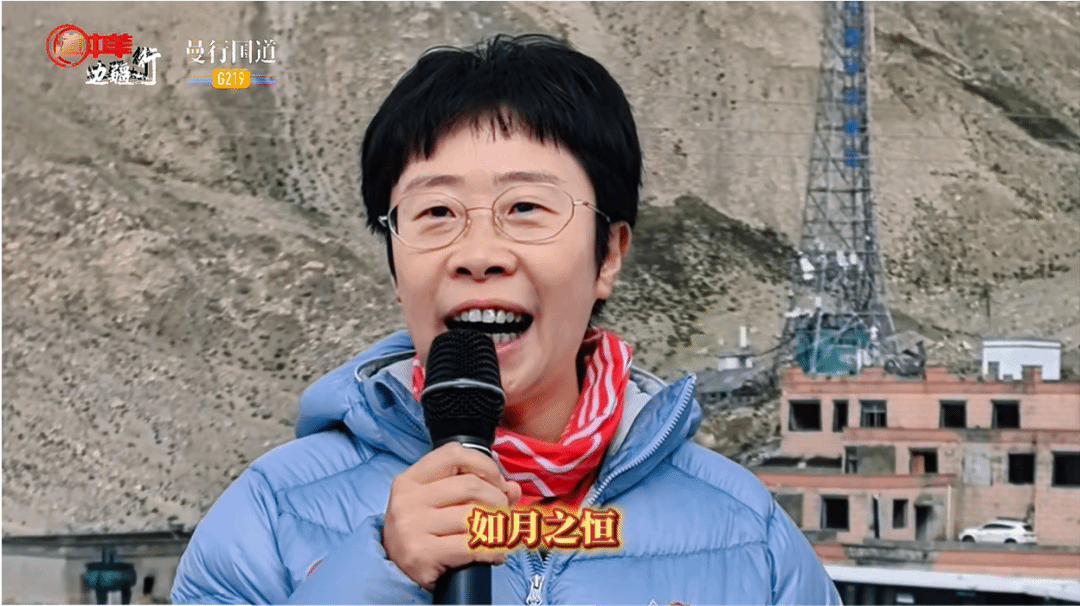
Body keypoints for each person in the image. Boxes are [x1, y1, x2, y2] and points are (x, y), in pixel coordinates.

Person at [171, 33, 842, 605]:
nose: (479, 254)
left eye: (525, 208)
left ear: (608, 255)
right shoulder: (271, 513)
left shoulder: (747, 533)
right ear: (396, 265)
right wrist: (378, 576)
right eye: (436, 213)